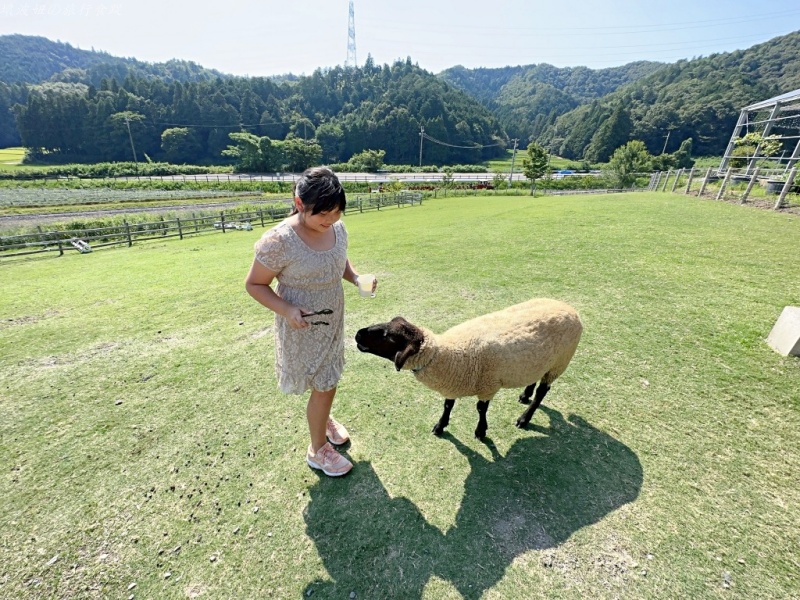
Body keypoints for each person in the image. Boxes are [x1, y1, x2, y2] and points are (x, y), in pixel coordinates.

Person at [245, 167, 376, 477]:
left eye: (336, 213)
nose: (330, 221)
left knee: (327, 382)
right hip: (300, 325)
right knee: (323, 384)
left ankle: (322, 420)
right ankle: (318, 451)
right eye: (323, 215)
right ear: (300, 204)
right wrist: (287, 309)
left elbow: (338, 257)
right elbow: (254, 285)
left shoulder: (337, 228)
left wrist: (355, 277)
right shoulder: (279, 240)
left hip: (333, 319)